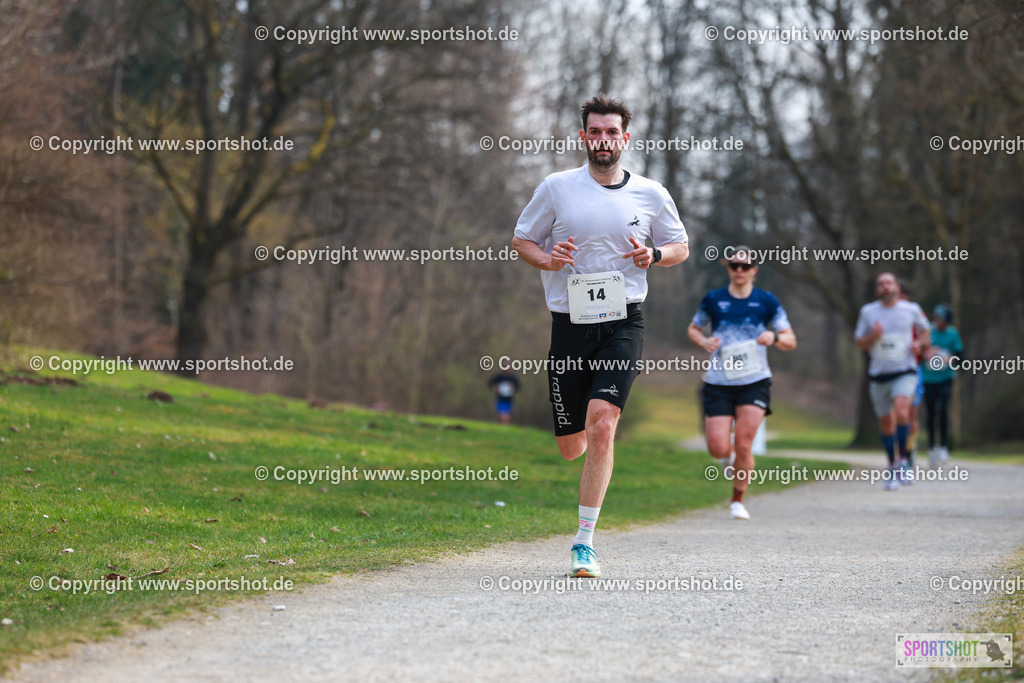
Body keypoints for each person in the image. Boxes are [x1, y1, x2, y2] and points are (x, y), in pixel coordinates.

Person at [512, 94, 689, 577]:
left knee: (604, 424)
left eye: (612, 132)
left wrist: (653, 256)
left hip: (623, 321)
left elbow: (680, 246)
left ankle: (583, 542)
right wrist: (548, 259)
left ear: (625, 138)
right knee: (573, 444)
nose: (604, 140)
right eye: (596, 131)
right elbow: (521, 239)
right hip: (569, 324)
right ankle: (591, 443)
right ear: (584, 136)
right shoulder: (556, 188)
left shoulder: (651, 193)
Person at [687, 246, 796, 520]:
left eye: (745, 266)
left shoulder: (767, 301)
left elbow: (790, 340)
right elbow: (693, 328)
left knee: (745, 443)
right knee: (717, 447)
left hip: (754, 380)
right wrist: (703, 341)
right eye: (734, 265)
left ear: (754, 270)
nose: (739, 270)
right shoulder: (713, 299)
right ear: (727, 267)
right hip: (719, 380)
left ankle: (737, 500)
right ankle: (727, 454)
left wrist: (775, 337)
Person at [854, 273, 929, 490]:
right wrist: (872, 338)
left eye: (889, 283)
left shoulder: (911, 309)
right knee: (887, 425)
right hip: (878, 375)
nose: (885, 287)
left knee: (902, 411)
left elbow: (926, 332)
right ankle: (893, 466)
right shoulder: (868, 312)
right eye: (881, 284)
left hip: (905, 371)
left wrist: (919, 344)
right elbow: (860, 342)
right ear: (877, 289)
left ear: (896, 286)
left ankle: (904, 459)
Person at [921, 304, 963, 466]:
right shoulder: (928, 331)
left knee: (943, 409)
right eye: (937, 319)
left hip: (946, 377)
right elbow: (918, 350)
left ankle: (944, 446)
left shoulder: (952, 334)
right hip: (928, 378)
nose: (939, 322)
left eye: (943, 320)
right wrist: (926, 353)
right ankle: (932, 447)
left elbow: (960, 357)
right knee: (931, 412)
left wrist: (950, 359)